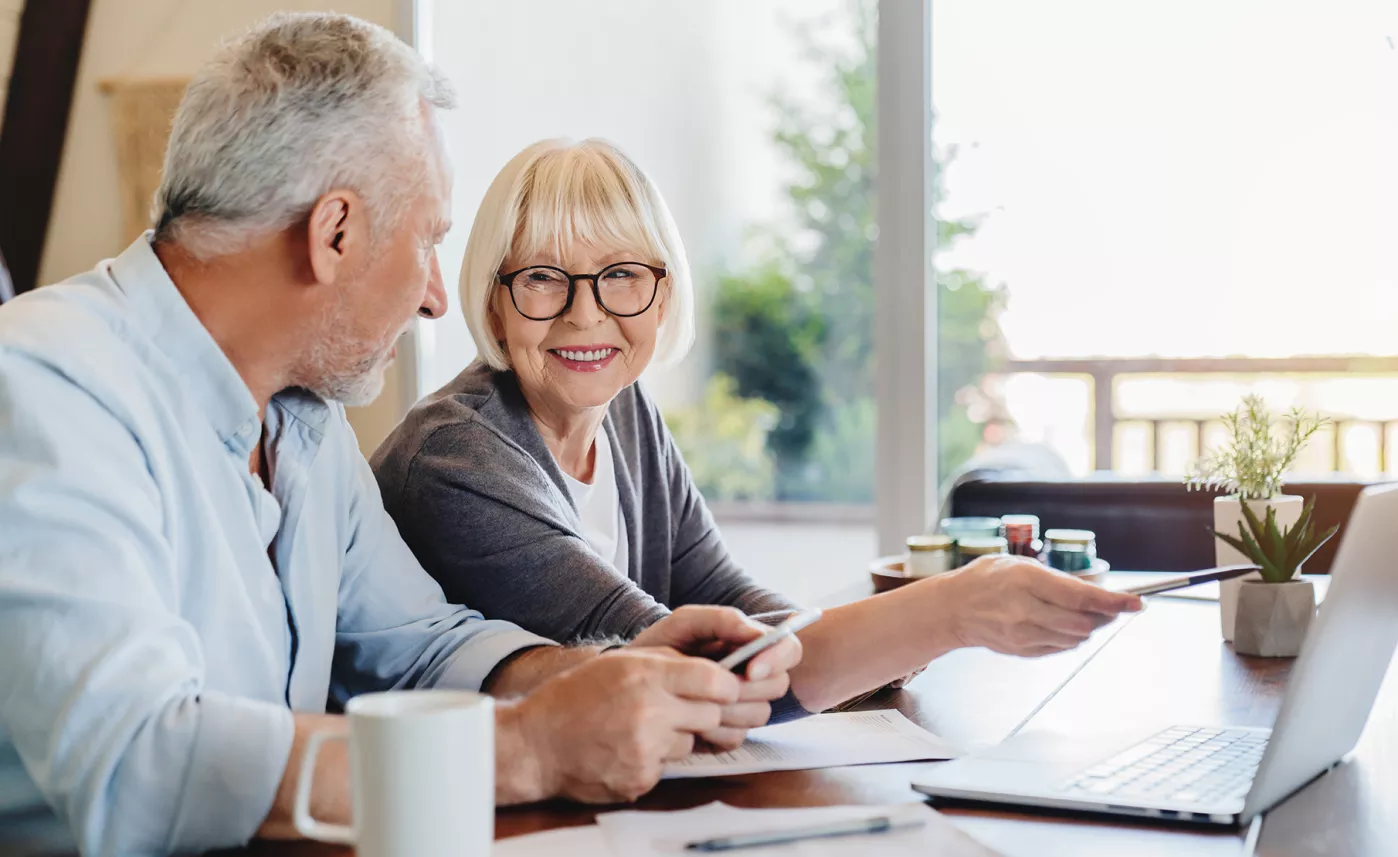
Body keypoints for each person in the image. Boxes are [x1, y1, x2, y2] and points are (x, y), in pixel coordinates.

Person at [0, 17, 799, 857]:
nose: (434, 298)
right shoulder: (45, 387)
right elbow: (136, 761)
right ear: (334, 233)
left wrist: (599, 674)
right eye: (428, 242)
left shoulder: (304, 420)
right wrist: (524, 747)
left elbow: (416, 642)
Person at [371, 137, 1143, 718]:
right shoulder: (456, 457)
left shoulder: (627, 412)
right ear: (494, 298)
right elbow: (685, 666)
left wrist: (870, 650)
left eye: (621, 276)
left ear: (663, 294)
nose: (585, 312)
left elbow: (724, 594)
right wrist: (945, 611)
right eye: (542, 277)